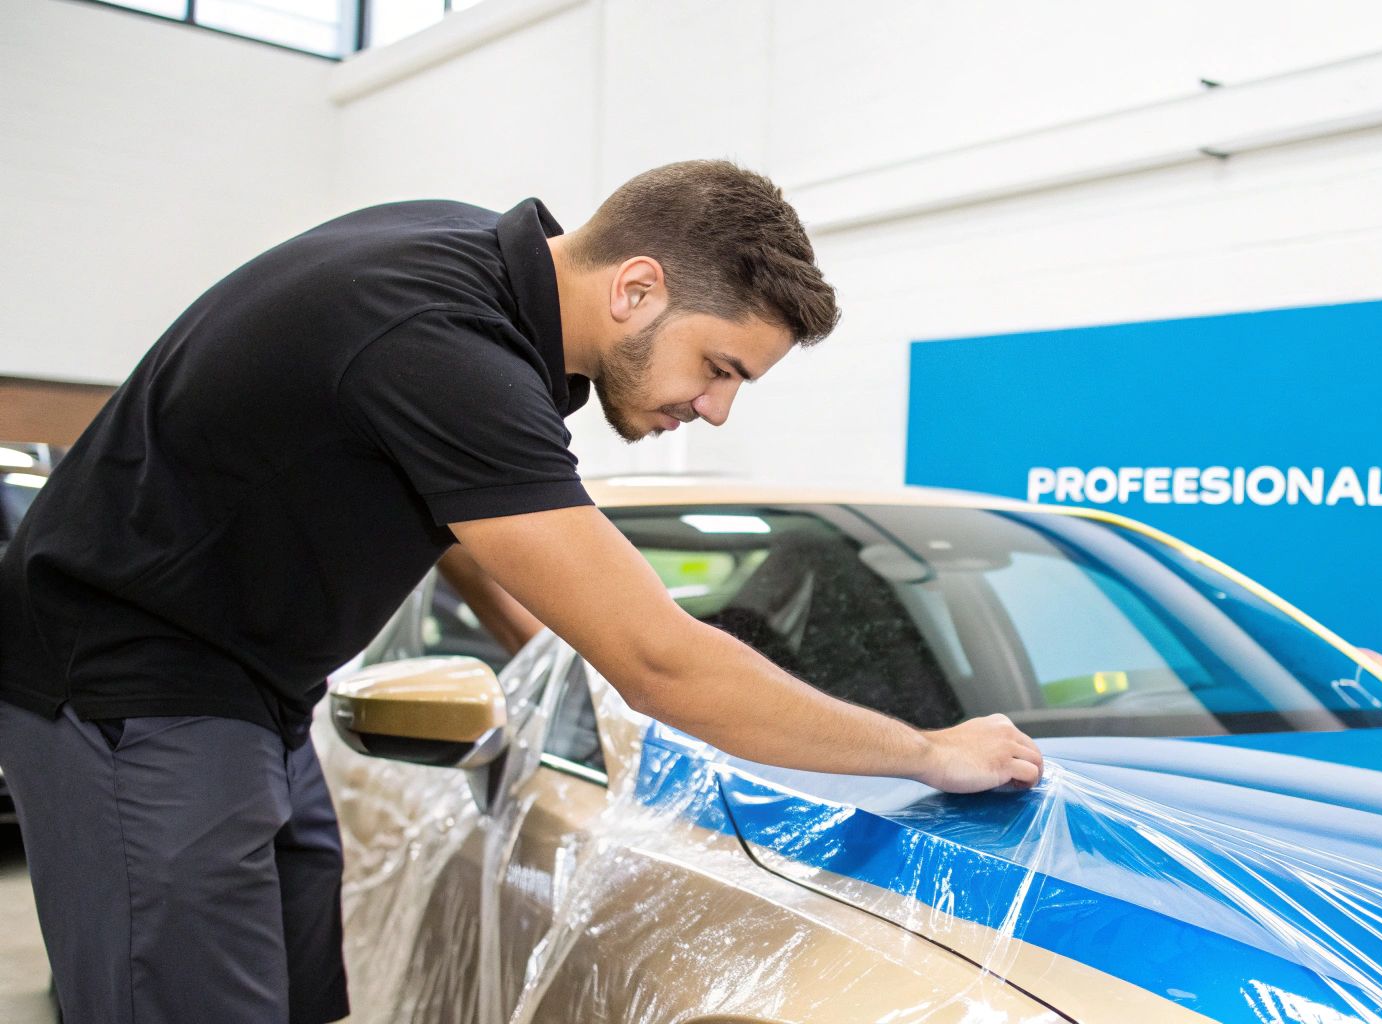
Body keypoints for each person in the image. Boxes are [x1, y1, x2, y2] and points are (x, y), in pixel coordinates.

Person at [0, 160, 1043, 1023]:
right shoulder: (442, 343)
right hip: (131, 689)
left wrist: (544, 647)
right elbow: (660, 660)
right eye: (720, 367)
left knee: (300, 996)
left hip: (252, 688)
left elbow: (440, 503)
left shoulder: (464, 269)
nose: (716, 409)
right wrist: (928, 750)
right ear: (634, 289)